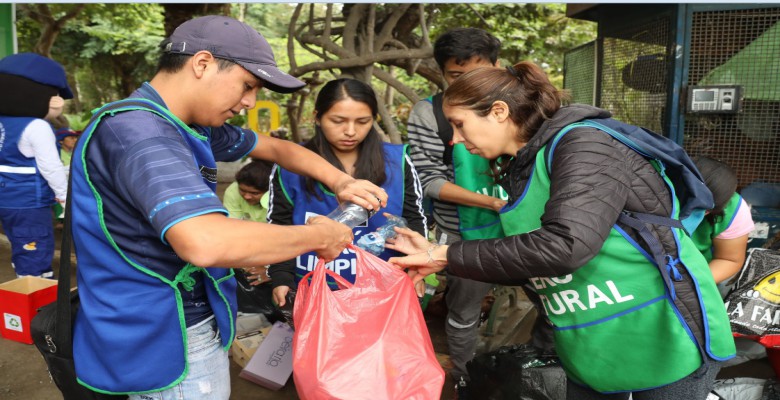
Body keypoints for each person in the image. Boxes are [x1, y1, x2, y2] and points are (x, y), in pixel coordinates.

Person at [68, 16, 387, 399]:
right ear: (201, 64)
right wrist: (320, 236)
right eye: (247, 85)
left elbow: (276, 148)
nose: (250, 101)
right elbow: (205, 242)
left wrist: (342, 182)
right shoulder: (144, 135)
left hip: (167, 320)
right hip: (168, 334)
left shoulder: (183, 124)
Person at [388, 62, 736, 399]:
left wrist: (446, 253)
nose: (455, 140)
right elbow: (532, 260)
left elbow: (566, 246)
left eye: (460, 125)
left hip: (661, 326)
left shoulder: (585, 144)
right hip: (593, 336)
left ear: (498, 111)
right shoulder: (521, 165)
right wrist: (442, 259)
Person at [405, 28, 507, 392]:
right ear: (441, 73)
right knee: (464, 310)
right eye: (455, 77)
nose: (468, 86)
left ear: (497, 66)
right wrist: (494, 203)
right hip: (463, 232)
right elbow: (428, 180)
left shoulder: (515, 106)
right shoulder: (430, 113)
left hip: (524, 231)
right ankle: (464, 379)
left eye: (478, 74)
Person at [267, 78, 427, 307]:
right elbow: (279, 226)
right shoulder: (290, 165)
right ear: (317, 117)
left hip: (383, 287)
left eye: (362, 122)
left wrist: (415, 267)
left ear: (374, 120)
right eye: (338, 121)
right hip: (315, 288)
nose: (350, 132)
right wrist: (281, 277)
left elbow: (415, 219)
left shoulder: (398, 161)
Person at [0, 53, 71, 279]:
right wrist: (64, 196)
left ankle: (22, 286)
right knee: (35, 254)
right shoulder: (36, 127)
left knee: (22, 248)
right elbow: (50, 167)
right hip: (30, 204)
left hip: (7, 202)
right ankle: (34, 308)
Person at [691, 157, 754, 288]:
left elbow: (728, 259)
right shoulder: (649, 193)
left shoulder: (732, 208)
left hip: (694, 271)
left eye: (705, 210)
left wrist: (691, 282)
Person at [223, 158, 273, 222]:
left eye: (254, 193)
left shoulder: (279, 197)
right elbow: (232, 223)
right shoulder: (233, 190)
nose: (247, 196)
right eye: (242, 190)